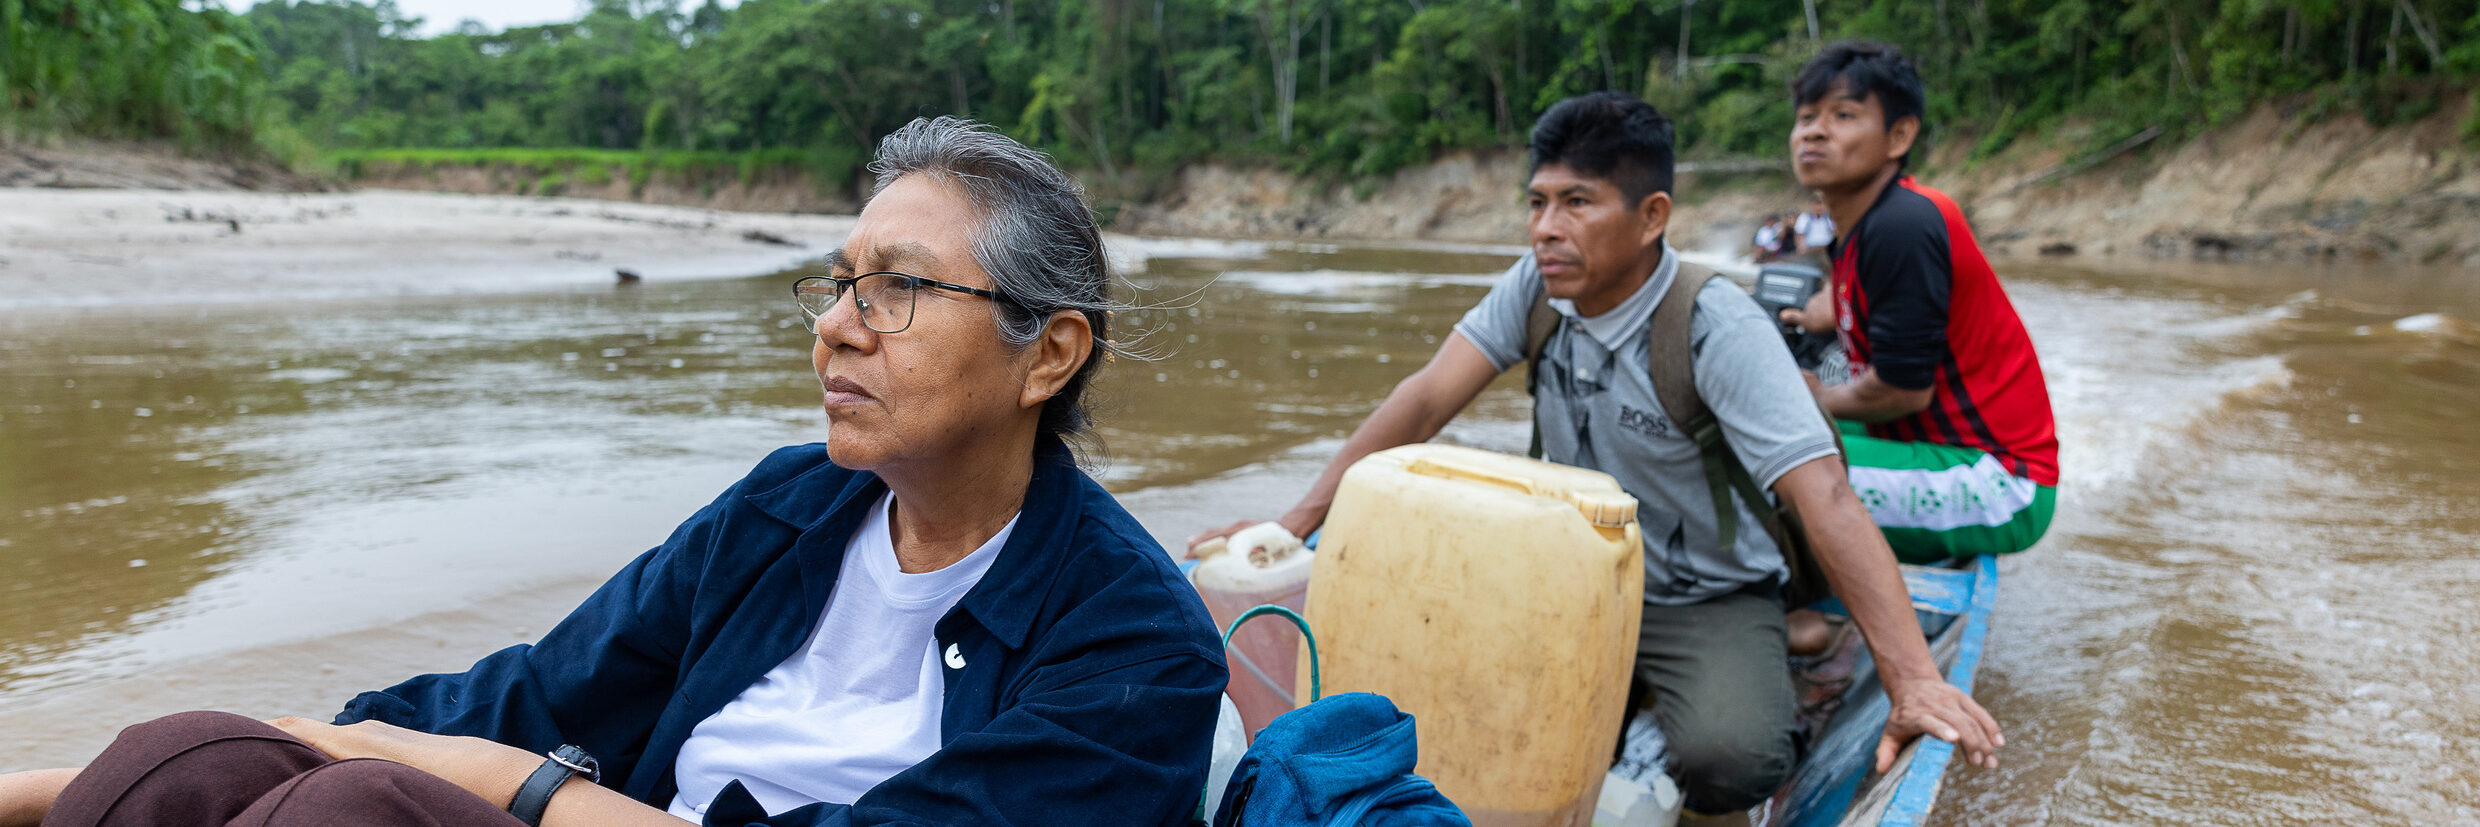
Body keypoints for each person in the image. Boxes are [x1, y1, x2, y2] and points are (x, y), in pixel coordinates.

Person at [0, 117, 1226, 827]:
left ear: (1046, 354)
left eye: (900, 287)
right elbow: (532, 694)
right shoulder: (785, 511)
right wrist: (239, 739)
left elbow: (499, 755)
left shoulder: (1132, 640)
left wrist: (510, 789)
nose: (838, 325)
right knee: (200, 753)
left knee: (350, 812)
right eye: (840, 281)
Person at [1191, 91, 2000, 821]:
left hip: (1701, 593)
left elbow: (1825, 493)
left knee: (1733, 760)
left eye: (1578, 202)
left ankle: (1775, 644)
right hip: (1563, 579)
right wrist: (1294, 525)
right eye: (1539, 202)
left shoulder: (1717, 327)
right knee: (1444, 715)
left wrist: (1911, 680)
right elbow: (1427, 398)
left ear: (1651, 217)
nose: (1547, 227)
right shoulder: (1539, 287)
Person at [1777, 42, 2060, 565]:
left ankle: (1805, 608)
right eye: (1807, 117)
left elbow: (1904, 393)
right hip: (1941, 450)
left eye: (1843, 115)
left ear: (1899, 135)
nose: (1815, 131)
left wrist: (1811, 397)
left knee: (1768, 458)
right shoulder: (1860, 229)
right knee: (1761, 433)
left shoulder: (1902, 224)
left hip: (2001, 483)